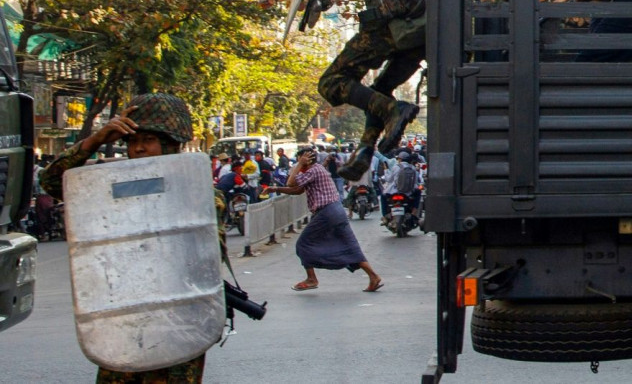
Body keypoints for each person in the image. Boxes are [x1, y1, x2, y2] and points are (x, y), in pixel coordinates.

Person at [40, 93, 225, 384]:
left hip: (180, 324)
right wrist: (96, 140)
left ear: (172, 143)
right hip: (124, 322)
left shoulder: (200, 193)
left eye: (148, 140)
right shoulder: (109, 187)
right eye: (130, 141)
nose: (138, 149)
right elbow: (53, 182)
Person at [306, 0, 428, 181]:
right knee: (379, 91)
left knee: (331, 82)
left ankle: (392, 110)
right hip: (420, 38)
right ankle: (364, 150)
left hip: (387, 30)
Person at [262, 148, 383, 292]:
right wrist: (275, 189)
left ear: (306, 160)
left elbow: (291, 182)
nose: (297, 165)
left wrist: (300, 164)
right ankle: (373, 276)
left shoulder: (313, 170)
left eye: (300, 160)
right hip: (336, 211)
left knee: (303, 244)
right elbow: (298, 190)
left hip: (326, 212)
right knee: (350, 246)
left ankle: (311, 278)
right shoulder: (317, 170)